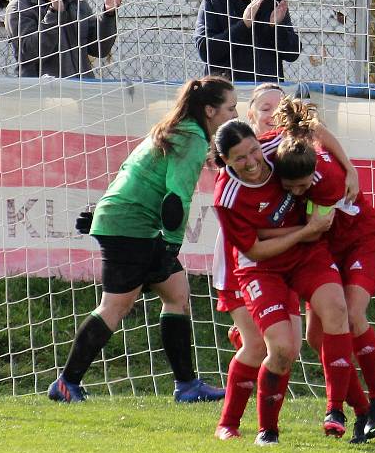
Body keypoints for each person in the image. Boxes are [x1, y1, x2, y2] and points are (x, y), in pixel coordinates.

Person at [48, 76, 239, 404]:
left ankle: (187, 386)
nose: (235, 114)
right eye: (230, 108)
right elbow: (175, 198)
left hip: (129, 221)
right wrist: (172, 244)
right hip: (131, 226)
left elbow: (131, 170)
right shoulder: (191, 136)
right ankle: (66, 383)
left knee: (177, 294)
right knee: (116, 305)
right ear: (209, 110)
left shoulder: (178, 128)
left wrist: (104, 211)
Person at [213, 117, 359, 445]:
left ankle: (335, 410)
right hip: (262, 267)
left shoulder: (274, 146)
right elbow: (254, 248)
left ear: (258, 141)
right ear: (225, 161)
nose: (251, 162)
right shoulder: (228, 196)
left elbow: (313, 127)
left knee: (337, 310)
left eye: (252, 151)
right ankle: (258, 429)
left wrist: (350, 168)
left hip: (306, 255)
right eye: (240, 158)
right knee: (280, 349)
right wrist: (306, 231)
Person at [272, 97, 375, 441]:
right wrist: (352, 166)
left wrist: (349, 170)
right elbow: (314, 128)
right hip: (326, 247)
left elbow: (313, 226)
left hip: (362, 240)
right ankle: (363, 409)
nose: (297, 191)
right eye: (291, 186)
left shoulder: (324, 183)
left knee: (351, 316)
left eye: (301, 186)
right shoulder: (283, 152)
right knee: (316, 337)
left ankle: (372, 400)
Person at [6, 0, 123, 78]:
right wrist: (54, 13)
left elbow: (99, 49)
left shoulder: (78, 4)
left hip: (82, 92)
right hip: (43, 97)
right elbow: (29, 52)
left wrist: (108, 13)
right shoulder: (19, 6)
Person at [195, 0, 301, 83]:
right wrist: (243, 25)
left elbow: (292, 54)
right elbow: (205, 50)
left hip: (267, 93)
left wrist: (276, 27)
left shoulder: (273, 1)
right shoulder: (213, 2)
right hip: (225, 94)